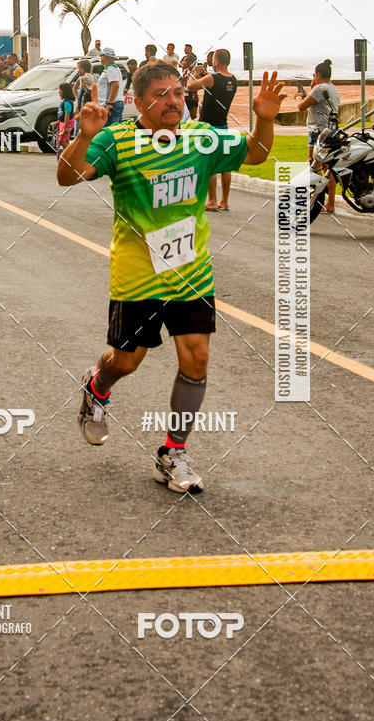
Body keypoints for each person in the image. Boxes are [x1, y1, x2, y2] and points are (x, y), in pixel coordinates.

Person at [57, 62, 284, 493]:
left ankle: (172, 452)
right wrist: (84, 137)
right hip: (138, 273)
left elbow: (256, 153)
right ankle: (97, 386)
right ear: (139, 102)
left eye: (178, 93)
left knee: (196, 357)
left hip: (191, 272)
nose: (173, 101)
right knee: (126, 361)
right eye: (161, 95)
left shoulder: (202, 139)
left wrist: (265, 120)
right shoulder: (117, 141)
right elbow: (67, 177)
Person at [188, 48, 238, 211]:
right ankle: (224, 201)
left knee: (209, 164)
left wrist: (195, 72)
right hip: (222, 124)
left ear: (216, 61)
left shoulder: (212, 78)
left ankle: (211, 201)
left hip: (208, 126)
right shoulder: (233, 80)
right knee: (225, 165)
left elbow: (190, 86)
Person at [297, 59, 340, 213]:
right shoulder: (332, 88)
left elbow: (301, 107)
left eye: (314, 75)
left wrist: (298, 97)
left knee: (313, 165)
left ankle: (318, 200)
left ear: (318, 75)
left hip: (317, 131)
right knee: (328, 167)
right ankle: (330, 203)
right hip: (331, 131)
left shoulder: (318, 89)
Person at [97, 48, 124, 125]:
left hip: (112, 104)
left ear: (105, 57)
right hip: (113, 103)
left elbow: (115, 85)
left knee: (110, 132)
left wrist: (109, 103)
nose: (100, 58)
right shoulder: (111, 68)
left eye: (101, 56)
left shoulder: (111, 69)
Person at [54, 82, 75, 161]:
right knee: (65, 140)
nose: (59, 92)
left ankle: (71, 156)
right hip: (63, 123)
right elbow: (62, 114)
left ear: (64, 91)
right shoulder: (65, 101)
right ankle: (70, 156)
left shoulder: (67, 103)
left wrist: (66, 127)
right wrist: (58, 122)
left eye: (60, 90)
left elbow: (67, 115)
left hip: (66, 124)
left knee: (62, 140)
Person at [180, 54, 199, 120]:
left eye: (184, 61)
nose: (183, 62)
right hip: (184, 97)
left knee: (193, 117)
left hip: (192, 98)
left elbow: (196, 85)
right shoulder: (185, 71)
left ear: (190, 62)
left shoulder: (195, 72)